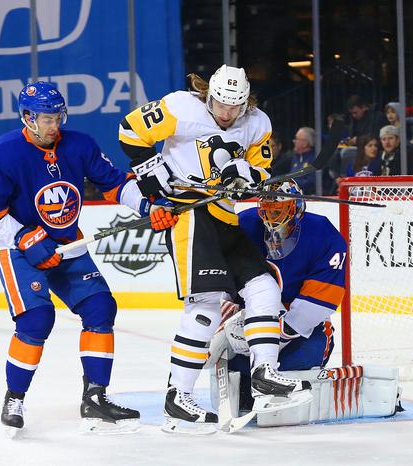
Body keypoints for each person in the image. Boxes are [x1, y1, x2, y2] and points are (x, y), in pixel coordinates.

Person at [0, 81, 173, 436]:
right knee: (36, 319)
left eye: (58, 117)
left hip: (66, 244)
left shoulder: (79, 144)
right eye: (47, 119)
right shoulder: (5, 152)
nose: (54, 125)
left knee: (100, 309)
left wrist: (148, 205)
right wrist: (21, 236)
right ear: (28, 118)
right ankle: (14, 398)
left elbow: (113, 183)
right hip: (16, 248)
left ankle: (95, 397)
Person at [118, 64, 312, 434]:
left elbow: (261, 168)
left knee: (264, 289)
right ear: (208, 96)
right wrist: (152, 174)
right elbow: (129, 130)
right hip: (188, 213)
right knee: (205, 304)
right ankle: (178, 397)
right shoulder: (179, 107)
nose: (225, 113)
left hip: (224, 215)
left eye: (233, 107)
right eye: (219, 104)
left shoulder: (258, 123)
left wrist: (244, 179)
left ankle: (264, 374)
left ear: (245, 103)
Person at [214, 180, 345, 411]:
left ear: (296, 206)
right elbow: (223, 279)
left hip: (302, 330)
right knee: (227, 358)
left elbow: (318, 305)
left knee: (296, 364)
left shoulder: (323, 233)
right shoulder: (245, 224)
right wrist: (226, 317)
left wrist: (277, 335)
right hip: (252, 320)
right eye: (267, 210)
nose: (272, 218)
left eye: (279, 210)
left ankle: (270, 380)